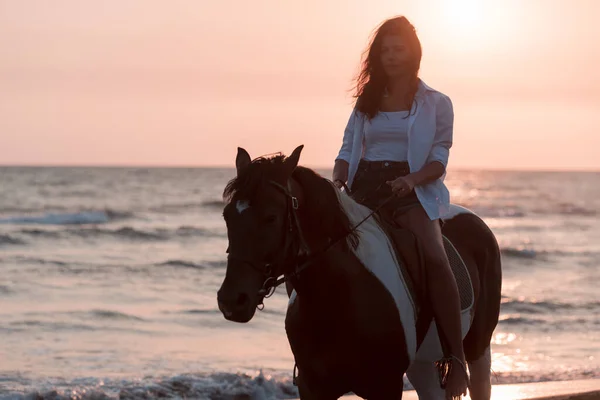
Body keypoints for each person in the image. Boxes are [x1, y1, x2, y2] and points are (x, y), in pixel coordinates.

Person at [332, 16, 469, 399]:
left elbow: (439, 159)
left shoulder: (436, 103)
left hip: (411, 190)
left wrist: (411, 180)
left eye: (398, 49)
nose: (391, 56)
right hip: (364, 187)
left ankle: (456, 361)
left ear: (413, 53)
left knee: (434, 256)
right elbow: (347, 150)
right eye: (385, 50)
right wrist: (339, 178)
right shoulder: (366, 101)